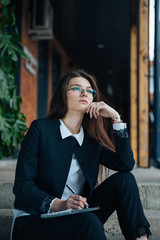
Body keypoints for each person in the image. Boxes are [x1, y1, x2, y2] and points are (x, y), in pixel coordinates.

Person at [11, 70, 151, 240]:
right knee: (89, 221)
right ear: (63, 95)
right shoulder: (41, 129)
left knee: (125, 180)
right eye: (77, 88)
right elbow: (22, 186)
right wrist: (60, 204)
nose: (85, 93)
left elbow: (125, 164)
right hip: (36, 219)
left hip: (78, 215)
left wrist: (116, 118)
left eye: (90, 90)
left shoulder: (90, 141)